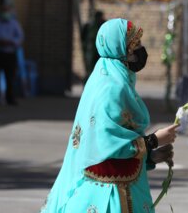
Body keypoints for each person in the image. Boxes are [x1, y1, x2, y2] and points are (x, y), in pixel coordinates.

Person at [41, 18, 179, 213]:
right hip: (109, 193)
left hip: (120, 181)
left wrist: (149, 157)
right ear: (121, 49)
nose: (141, 50)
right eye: (135, 45)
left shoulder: (105, 75)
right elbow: (108, 141)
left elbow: (109, 143)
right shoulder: (112, 87)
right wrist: (153, 141)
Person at [0, 4, 23, 105]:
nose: (5, 13)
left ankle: (10, 98)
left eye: (6, 11)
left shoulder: (14, 24)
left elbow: (19, 37)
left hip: (10, 53)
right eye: (3, 11)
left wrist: (11, 42)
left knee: (10, 77)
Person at [81, 10, 106, 82]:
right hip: (92, 49)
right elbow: (84, 38)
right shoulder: (89, 25)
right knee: (90, 68)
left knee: (96, 67)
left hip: (97, 50)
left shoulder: (102, 24)